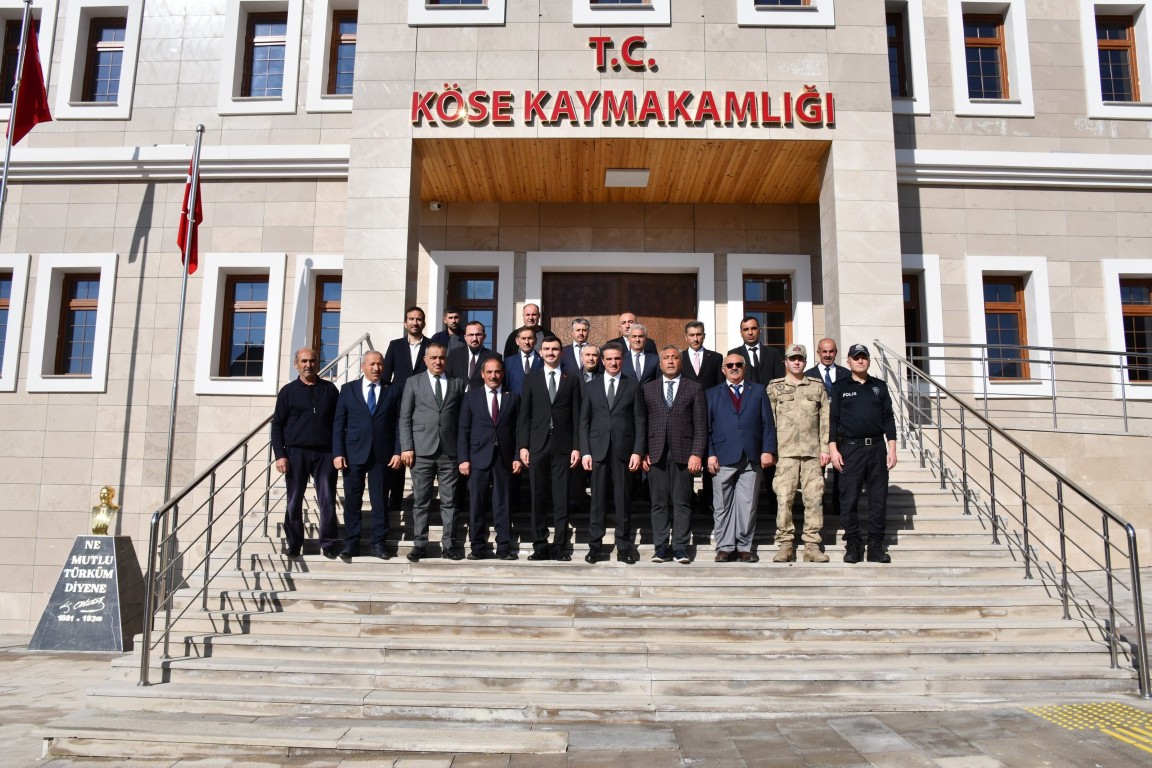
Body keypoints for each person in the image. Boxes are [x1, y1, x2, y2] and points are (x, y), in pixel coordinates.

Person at [829, 343, 898, 564]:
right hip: (850, 448)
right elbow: (833, 419)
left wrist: (892, 449)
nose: (860, 361)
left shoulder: (879, 386)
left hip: (877, 448)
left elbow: (888, 418)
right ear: (848, 361)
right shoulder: (840, 387)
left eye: (864, 357)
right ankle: (853, 544)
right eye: (856, 357)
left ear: (868, 360)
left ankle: (876, 545)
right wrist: (832, 448)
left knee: (878, 499)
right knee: (849, 499)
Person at [706, 353, 777, 563]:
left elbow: (767, 423)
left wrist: (767, 450)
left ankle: (745, 547)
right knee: (722, 506)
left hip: (751, 456)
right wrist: (709, 453)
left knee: (747, 504)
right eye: (730, 365)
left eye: (738, 364)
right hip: (722, 455)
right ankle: (725, 547)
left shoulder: (758, 390)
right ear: (723, 369)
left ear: (744, 368)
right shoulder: (711, 393)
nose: (734, 368)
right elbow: (706, 427)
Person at [580, 343, 646, 564]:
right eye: (608, 359)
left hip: (624, 452)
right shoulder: (592, 386)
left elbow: (640, 421)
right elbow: (584, 422)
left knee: (622, 501)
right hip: (598, 451)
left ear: (622, 360)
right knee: (597, 502)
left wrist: (638, 451)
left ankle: (624, 546)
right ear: (602, 360)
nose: (613, 362)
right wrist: (585, 452)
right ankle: (595, 546)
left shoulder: (632, 385)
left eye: (617, 359)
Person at [271, 348, 340, 558]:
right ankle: (294, 542)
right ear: (296, 364)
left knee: (327, 498)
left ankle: (328, 543)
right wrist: (280, 455)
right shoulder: (288, 392)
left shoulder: (330, 390)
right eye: (304, 361)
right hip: (296, 453)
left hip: (325, 453)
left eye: (312, 360)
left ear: (317, 363)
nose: (308, 364)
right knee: (294, 499)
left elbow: (338, 424)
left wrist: (338, 452)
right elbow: (277, 425)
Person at [517, 336, 582, 561]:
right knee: (538, 495)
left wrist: (576, 446)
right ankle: (540, 545)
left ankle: (560, 546)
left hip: (563, 446)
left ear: (561, 353)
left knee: (561, 497)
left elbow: (577, 415)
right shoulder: (531, 378)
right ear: (541, 352)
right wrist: (523, 446)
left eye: (555, 349)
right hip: (537, 445)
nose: (551, 353)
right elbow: (524, 415)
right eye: (546, 349)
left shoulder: (571, 379)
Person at [332, 350, 401, 560]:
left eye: (380, 364)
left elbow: (399, 423)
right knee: (352, 500)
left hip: (383, 454)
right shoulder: (348, 389)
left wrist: (398, 451)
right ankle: (351, 543)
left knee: (380, 501)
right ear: (363, 366)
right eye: (372, 364)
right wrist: (338, 453)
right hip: (353, 454)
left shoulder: (393, 390)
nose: (376, 368)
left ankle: (378, 543)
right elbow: (339, 423)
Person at [642, 345, 707, 564]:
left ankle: (680, 547)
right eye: (666, 358)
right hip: (655, 454)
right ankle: (661, 547)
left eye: (675, 358)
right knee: (658, 503)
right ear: (660, 364)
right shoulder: (648, 388)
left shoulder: (694, 388)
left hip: (683, 453)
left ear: (681, 362)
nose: (670, 361)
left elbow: (700, 424)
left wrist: (697, 453)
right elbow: (642, 423)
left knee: (682, 502)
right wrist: (642, 452)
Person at [399, 342, 464, 561]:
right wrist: (406, 447)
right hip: (422, 451)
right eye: (434, 358)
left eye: (442, 358)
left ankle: (449, 544)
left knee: (450, 501)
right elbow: (405, 417)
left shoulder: (457, 384)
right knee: (421, 501)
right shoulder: (413, 382)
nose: (438, 362)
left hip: (449, 451)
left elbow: (462, 420)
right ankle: (420, 544)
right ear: (425, 360)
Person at [768, 344, 831, 564]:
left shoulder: (816, 387)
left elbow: (825, 420)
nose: (797, 362)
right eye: (793, 359)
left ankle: (812, 545)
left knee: (814, 499)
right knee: (784, 499)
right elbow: (770, 422)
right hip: (786, 454)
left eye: (801, 359)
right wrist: (771, 450)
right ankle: (786, 543)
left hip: (812, 453)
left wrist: (825, 448)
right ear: (785, 361)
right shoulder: (775, 388)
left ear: (805, 362)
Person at [458, 357, 522, 560]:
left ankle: (504, 547)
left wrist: (517, 456)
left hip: (503, 458)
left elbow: (518, 430)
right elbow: (463, 429)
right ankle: (477, 547)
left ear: (502, 374)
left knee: (502, 504)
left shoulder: (513, 397)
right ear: (482, 374)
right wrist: (464, 458)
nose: (493, 376)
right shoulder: (471, 397)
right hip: (477, 458)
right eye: (490, 372)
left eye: (497, 372)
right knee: (477, 504)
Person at [382, 306, 430, 510]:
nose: (415, 322)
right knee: (399, 449)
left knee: (420, 452)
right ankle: (395, 499)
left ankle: (421, 501)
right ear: (405, 323)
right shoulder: (395, 346)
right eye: (411, 319)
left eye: (418, 319)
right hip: (398, 403)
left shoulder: (431, 346)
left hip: (423, 405)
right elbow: (385, 376)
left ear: (424, 323)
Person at [806, 337, 851, 519]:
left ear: (836, 353)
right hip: (817, 431)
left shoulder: (846, 374)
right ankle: (820, 509)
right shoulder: (808, 375)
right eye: (824, 351)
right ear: (818, 353)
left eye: (831, 351)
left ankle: (840, 509)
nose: (827, 355)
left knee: (842, 470)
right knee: (818, 472)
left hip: (842, 430)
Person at [681, 321, 724, 512]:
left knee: (709, 457)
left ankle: (708, 499)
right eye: (692, 335)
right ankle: (688, 499)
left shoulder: (715, 358)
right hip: (685, 417)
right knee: (687, 458)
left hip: (710, 414)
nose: (695, 338)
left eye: (699, 334)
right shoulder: (679, 358)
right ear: (686, 337)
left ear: (704, 335)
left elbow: (720, 388)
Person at [727, 316, 785, 386]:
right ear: (741, 333)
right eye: (746, 329)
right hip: (744, 396)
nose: (750, 332)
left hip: (769, 396)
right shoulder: (733, 354)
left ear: (759, 330)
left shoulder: (773, 353)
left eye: (753, 328)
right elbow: (730, 380)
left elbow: (780, 379)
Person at [446, 320, 500, 392]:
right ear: (465, 337)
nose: (474, 339)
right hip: (458, 399)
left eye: (478, 335)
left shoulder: (494, 357)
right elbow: (448, 378)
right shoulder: (454, 354)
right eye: (471, 335)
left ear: (484, 336)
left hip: (482, 400)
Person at [504, 325, 543, 394]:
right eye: (523, 338)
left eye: (530, 338)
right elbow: (506, 385)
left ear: (536, 340)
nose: (526, 342)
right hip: (516, 403)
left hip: (537, 403)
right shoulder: (508, 362)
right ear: (517, 341)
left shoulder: (543, 360)